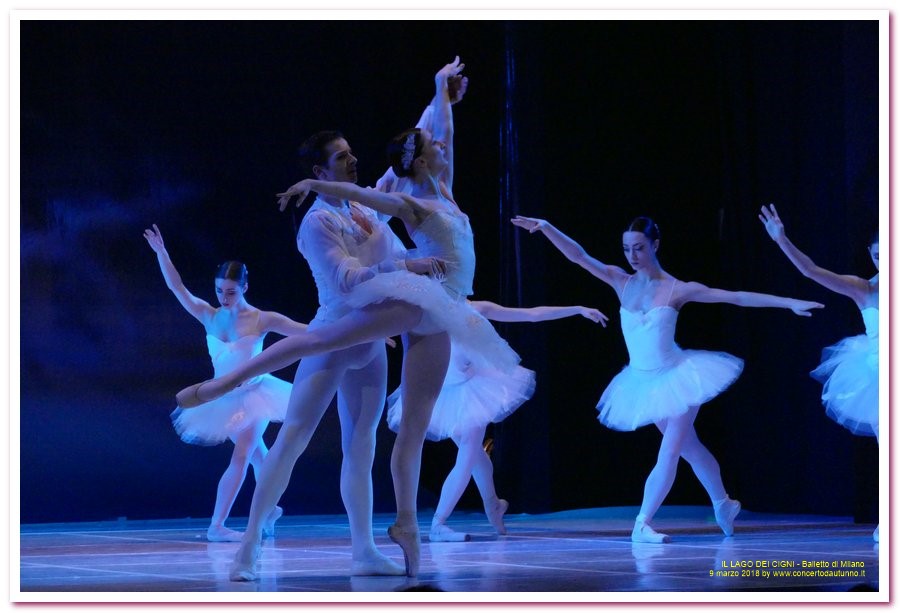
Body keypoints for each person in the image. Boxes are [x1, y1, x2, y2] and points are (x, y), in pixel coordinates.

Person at [177, 57, 522, 578]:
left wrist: (442, 98)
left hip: (372, 338)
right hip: (337, 331)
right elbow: (346, 282)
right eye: (342, 158)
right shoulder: (316, 224)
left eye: (351, 154)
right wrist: (404, 261)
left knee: (360, 448)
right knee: (293, 439)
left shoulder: (364, 207)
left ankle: (363, 549)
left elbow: (415, 151)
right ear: (320, 173)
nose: (353, 161)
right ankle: (247, 547)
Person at [511, 215, 824, 543]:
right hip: (643, 382)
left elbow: (736, 296)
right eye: (627, 249)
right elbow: (579, 256)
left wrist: (789, 302)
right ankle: (723, 503)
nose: (632, 256)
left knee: (670, 450)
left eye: (639, 248)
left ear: (655, 245)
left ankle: (642, 523)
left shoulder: (678, 289)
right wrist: (547, 227)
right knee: (690, 447)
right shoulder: (621, 281)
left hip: (678, 377)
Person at [385, 301, 608, 543]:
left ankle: (438, 522)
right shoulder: (425, 310)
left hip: (473, 388)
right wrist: (376, 337)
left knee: (468, 454)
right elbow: (379, 322)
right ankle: (493, 505)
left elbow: (531, 314)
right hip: (444, 392)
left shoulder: (474, 308)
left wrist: (575, 309)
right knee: (473, 455)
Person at [143, 224, 304, 543]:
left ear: (245, 286)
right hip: (224, 398)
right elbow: (178, 288)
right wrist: (162, 252)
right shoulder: (208, 314)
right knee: (261, 456)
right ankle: (269, 510)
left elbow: (308, 331)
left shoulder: (261, 319)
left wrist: (362, 333)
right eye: (219, 291)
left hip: (256, 395)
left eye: (231, 291)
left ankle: (217, 525)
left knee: (243, 454)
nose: (224, 297)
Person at [759, 204, 879, 541]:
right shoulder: (865, 289)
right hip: (878, 376)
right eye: (876, 256)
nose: (883, 263)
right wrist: (781, 240)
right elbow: (812, 271)